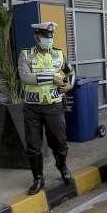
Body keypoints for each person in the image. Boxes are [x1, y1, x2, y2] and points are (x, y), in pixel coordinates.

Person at [18, 21, 74, 195]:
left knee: (59, 142)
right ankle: (38, 178)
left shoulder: (58, 55)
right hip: (32, 108)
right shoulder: (26, 55)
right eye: (45, 37)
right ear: (37, 37)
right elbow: (25, 77)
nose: (48, 40)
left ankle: (62, 165)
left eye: (50, 37)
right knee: (33, 146)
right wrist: (52, 78)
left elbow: (70, 72)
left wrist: (69, 85)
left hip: (54, 106)